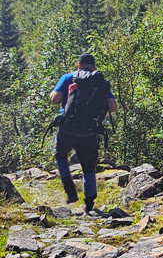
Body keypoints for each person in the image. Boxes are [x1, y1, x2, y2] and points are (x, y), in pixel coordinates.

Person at [50, 53, 117, 214]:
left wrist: (54, 93)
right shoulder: (99, 81)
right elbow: (113, 107)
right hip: (89, 132)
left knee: (60, 157)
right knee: (89, 168)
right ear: (93, 66)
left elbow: (55, 99)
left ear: (79, 65)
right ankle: (89, 204)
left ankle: (70, 191)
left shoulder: (68, 78)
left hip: (67, 129)